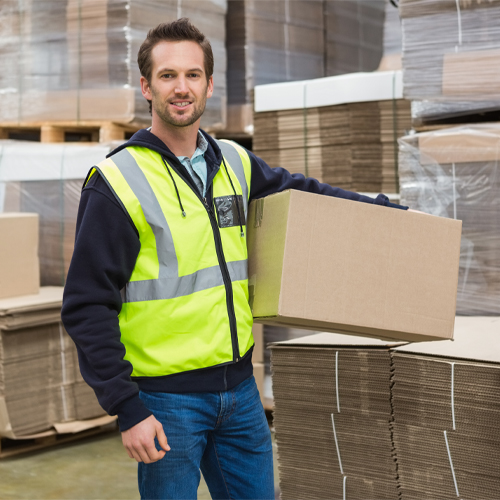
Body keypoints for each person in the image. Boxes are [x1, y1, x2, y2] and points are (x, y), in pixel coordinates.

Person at [61, 18, 409, 500]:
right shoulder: (118, 181)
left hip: (240, 392)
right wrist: (128, 408)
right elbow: (86, 304)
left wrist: (380, 210)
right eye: (167, 76)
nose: (181, 88)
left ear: (208, 83)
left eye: (193, 75)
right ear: (146, 86)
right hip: (166, 402)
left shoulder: (234, 162)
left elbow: (308, 195)